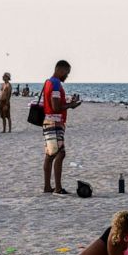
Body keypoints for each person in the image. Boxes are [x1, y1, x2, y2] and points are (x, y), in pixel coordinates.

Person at [42, 60, 82, 194]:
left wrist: (68, 103)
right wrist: (71, 105)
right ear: (60, 70)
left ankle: (48, 187)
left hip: (49, 121)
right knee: (60, 153)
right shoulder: (55, 84)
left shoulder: (48, 82)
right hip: (54, 123)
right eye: (67, 73)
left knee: (50, 155)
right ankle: (58, 188)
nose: (67, 76)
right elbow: (56, 107)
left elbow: (54, 104)